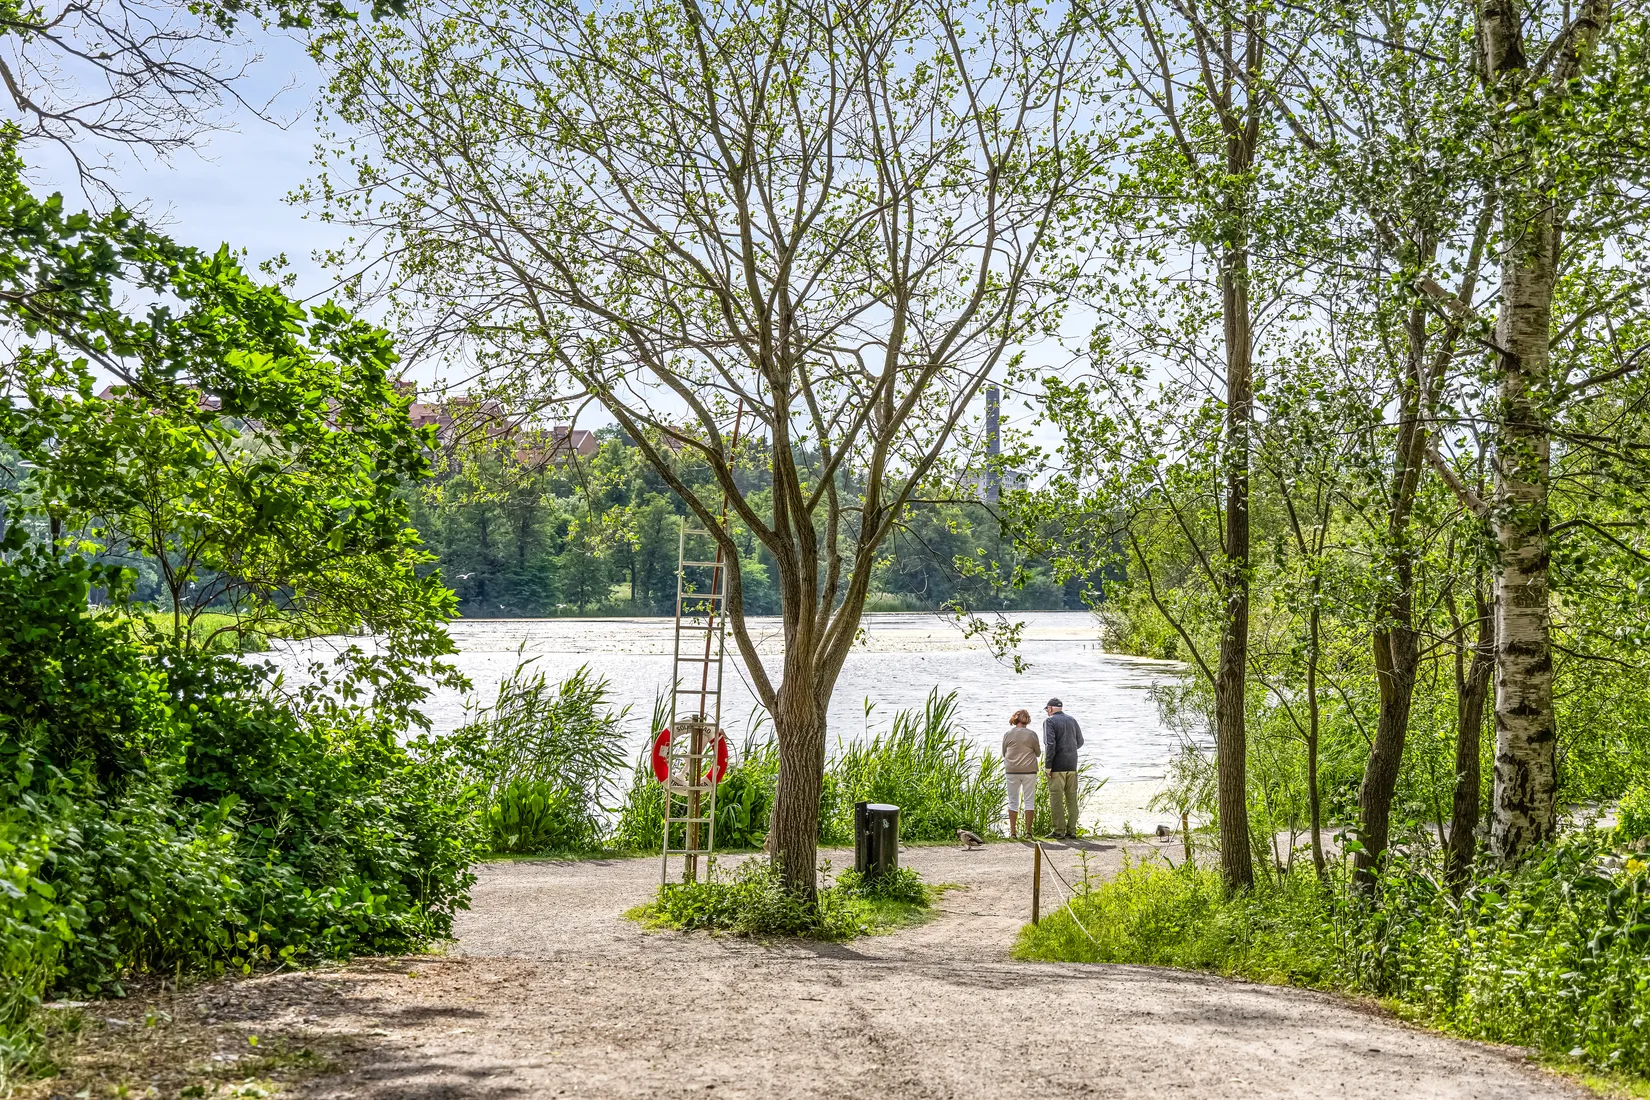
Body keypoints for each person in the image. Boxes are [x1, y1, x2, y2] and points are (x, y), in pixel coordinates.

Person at [1042, 698, 1083, 839]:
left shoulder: (1049, 721)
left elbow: (1050, 744)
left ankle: (1059, 831)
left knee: (1056, 798)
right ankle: (1072, 830)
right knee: (1072, 798)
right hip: (1072, 764)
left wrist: (1048, 766)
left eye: (1047, 709)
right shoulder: (1072, 720)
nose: (1047, 712)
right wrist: (1069, 750)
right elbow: (1080, 741)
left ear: (1050, 708)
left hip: (1057, 766)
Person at [1002, 709, 1040, 839]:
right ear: (1027, 720)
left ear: (1015, 719)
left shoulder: (1008, 734)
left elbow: (1004, 752)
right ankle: (1028, 832)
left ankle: (1013, 833)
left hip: (1012, 770)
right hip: (1029, 771)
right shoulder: (1032, 735)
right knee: (1029, 801)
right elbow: (1038, 753)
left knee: (1013, 801)